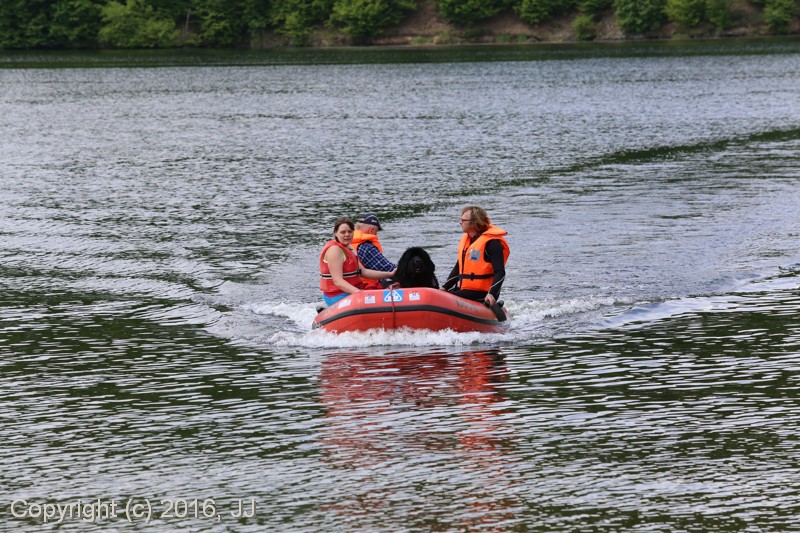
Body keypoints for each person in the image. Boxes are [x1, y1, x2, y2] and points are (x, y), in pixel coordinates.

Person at [442, 206, 509, 310]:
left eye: (463, 220)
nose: (460, 223)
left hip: (483, 293)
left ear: (474, 222)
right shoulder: (467, 241)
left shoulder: (492, 243)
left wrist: (491, 294)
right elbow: (458, 268)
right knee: (443, 296)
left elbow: (500, 272)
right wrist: (444, 288)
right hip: (465, 290)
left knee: (446, 299)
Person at [319, 217, 396, 306]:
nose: (347, 235)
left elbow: (364, 272)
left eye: (350, 231)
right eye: (343, 232)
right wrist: (360, 293)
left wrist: (389, 274)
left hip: (353, 289)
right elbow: (338, 281)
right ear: (335, 233)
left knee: (390, 289)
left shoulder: (349, 247)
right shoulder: (334, 250)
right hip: (337, 294)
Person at [351, 213, 396, 289]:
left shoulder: (349, 242)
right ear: (371, 230)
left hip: (353, 285)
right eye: (376, 232)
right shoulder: (367, 248)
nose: (376, 235)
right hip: (367, 287)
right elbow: (389, 269)